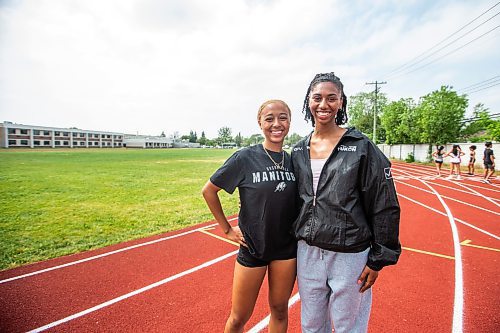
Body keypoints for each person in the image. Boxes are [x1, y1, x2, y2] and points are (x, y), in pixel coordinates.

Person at [291, 72, 401, 333]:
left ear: (341, 102)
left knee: (348, 327)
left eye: (332, 98)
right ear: (308, 102)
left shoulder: (361, 146)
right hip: (308, 251)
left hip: (349, 253)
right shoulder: (297, 150)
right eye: (317, 97)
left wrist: (378, 258)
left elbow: (384, 203)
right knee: (311, 325)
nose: (324, 104)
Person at [202, 100, 298, 333]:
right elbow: (209, 190)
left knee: (280, 310)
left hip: (286, 250)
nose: (277, 124)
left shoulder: (295, 161)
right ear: (260, 123)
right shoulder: (245, 157)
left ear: (289, 122)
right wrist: (227, 229)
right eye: (269, 119)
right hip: (253, 247)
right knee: (238, 317)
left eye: (283, 117)